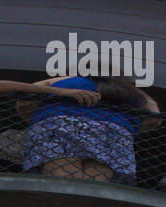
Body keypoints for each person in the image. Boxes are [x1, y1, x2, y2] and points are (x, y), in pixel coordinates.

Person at [20, 75, 158, 183]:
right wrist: (131, 127)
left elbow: (25, 96)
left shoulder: (68, 80)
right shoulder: (131, 91)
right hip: (111, 134)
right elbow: (155, 117)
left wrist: (33, 118)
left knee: (62, 182)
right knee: (94, 188)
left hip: (60, 125)